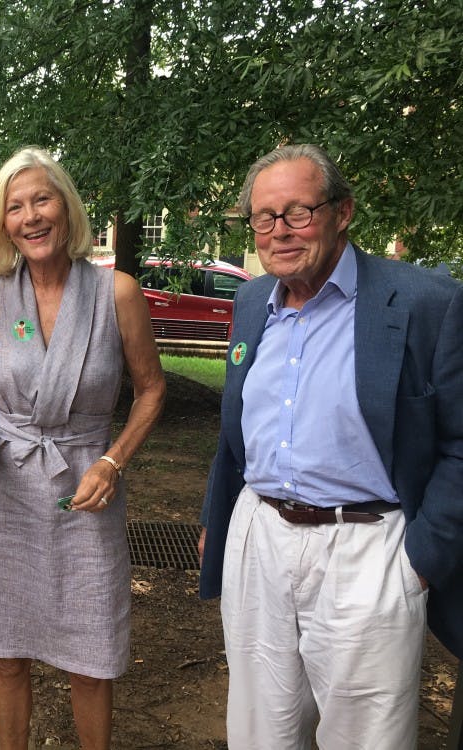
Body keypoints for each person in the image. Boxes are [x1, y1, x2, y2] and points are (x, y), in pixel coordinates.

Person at [198, 143, 463, 749]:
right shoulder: (251, 301)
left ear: (342, 212)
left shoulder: (426, 302)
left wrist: (423, 558)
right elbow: (236, 432)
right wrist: (219, 517)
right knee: (260, 732)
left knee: (365, 738)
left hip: (368, 547)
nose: (279, 231)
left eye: (299, 211)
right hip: (260, 539)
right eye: (264, 217)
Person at [0, 147, 166, 749]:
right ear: (2, 223)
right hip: (4, 492)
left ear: (66, 208)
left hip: (85, 489)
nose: (31, 216)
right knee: (5, 652)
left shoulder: (117, 292)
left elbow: (151, 389)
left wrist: (113, 460)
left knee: (90, 657)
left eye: (42, 200)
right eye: (15, 207)